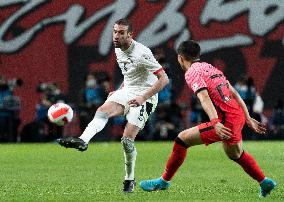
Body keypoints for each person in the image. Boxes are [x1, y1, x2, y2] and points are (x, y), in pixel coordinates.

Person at [139, 40, 276, 198]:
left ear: (180, 57)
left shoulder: (192, 72)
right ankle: (265, 182)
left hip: (225, 121)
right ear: (198, 55)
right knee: (235, 154)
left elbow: (204, 97)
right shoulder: (209, 67)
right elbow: (234, 93)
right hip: (236, 115)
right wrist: (248, 117)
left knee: (181, 140)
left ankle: (163, 182)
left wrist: (216, 122)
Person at [57, 18, 169, 193]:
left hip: (145, 97)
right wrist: (119, 91)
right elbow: (129, 74)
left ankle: (129, 178)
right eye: (115, 31)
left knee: (127, 141)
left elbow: (164, 79)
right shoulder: (118, 49)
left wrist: (142, 97)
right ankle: (83, 140)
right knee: (102, 110)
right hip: (128, 91)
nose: (116, 36)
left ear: (130, 35)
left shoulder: (142, 52)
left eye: (121, 32)